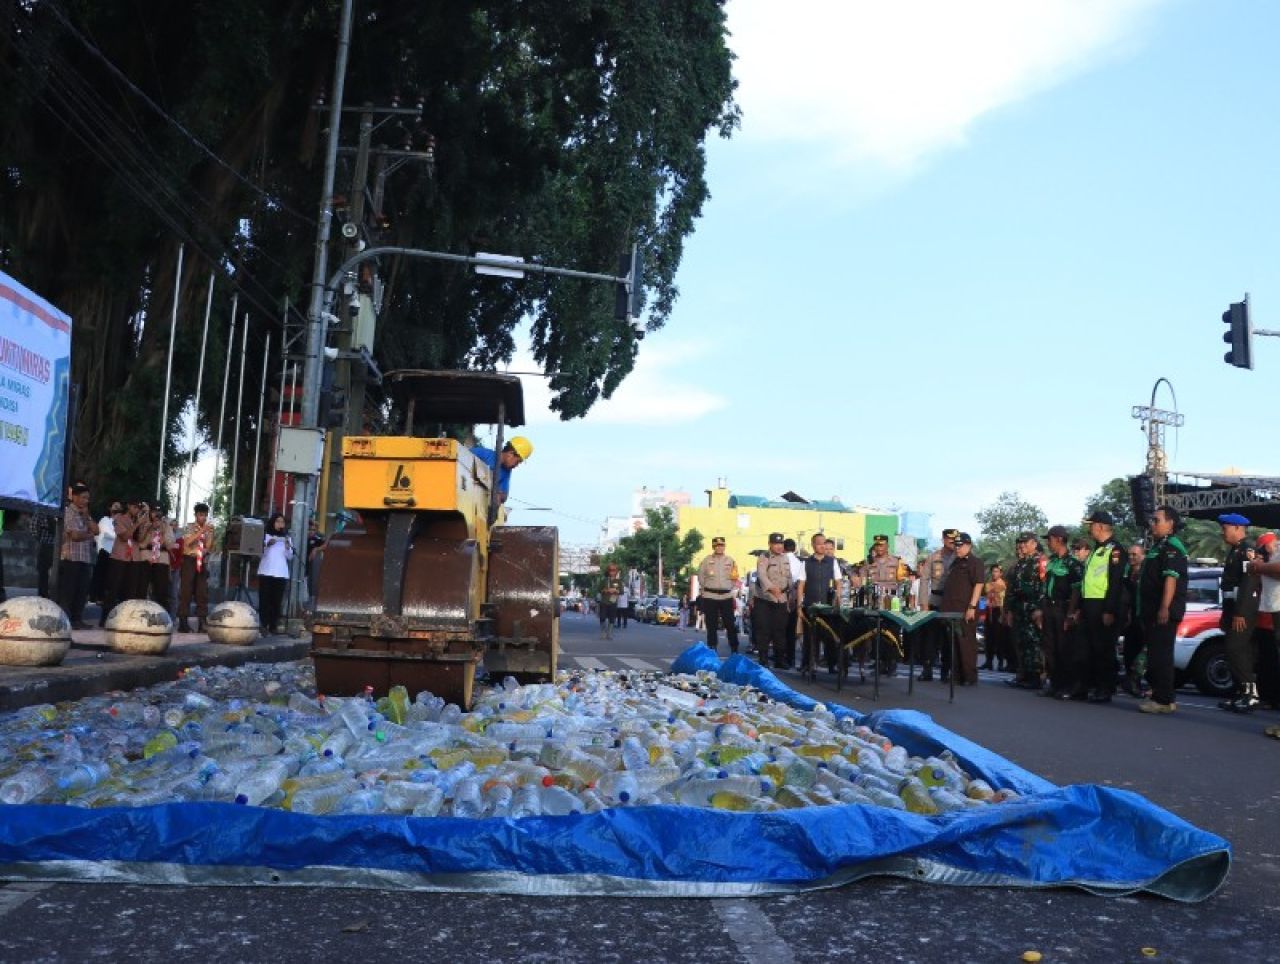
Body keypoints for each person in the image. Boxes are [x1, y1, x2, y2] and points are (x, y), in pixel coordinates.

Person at [1138, 506, 1189, 714]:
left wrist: (1164, 607)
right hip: (1152, 609)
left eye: (1157, 520)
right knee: (1156, 654)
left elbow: (1171, 578)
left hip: (1163, 610)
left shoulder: (1172, 547)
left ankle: (1163, 699)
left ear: (1170, 524)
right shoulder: (1158, 546)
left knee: (1161, 655)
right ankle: (1161, 694)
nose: (1153, 524)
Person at [1078, 510, 1128, 703]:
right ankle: (1091, 686)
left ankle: (1105, 689)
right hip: (1090, 603)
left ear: (1099, 526)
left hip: (1103, 605)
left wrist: (1109, 610)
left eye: (1091, 525)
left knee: (1103, 649)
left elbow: (1115, 582)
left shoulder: (1115, 550)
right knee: (1089, 648)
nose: (1089, 529)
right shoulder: (1097, 549)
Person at [1216, 513, 1261, 712]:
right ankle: (1242, 693)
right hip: (1232, 607)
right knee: (1234, 649)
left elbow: (1249, 583)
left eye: (1225, 528)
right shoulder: (1235, 551)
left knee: (1235, 648)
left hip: (1242, 609)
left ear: (1237, 528)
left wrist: (1241, 612)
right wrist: (1226, 613)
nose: (1222, 532)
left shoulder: (1247, 550)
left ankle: (1251, 694)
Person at [1036, 525, 1082, 698]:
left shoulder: (1073, 563)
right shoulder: (1052, 561)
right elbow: (1045, 587)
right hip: (1049, 608)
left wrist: (1071, 613)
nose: (1048, 543)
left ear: (1059, 539)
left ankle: (1066, 685)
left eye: (1049, 539)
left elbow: (1076, 589)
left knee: (1064, 647)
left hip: (1064, 608)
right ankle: (1054, 683)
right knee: (1049, 647)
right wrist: (1041, 610)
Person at [939, 532, 985, 685]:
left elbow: (978, 584)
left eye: (960, 545)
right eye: (956, 545)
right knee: (954, 644)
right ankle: (957, 675)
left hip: (965, 609)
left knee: (966, 644)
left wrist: (972, 606)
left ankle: (969, 676)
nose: (957, 548)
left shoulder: (975, 562)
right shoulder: (955, 562)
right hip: (951, 610)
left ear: (969, 546)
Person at [1004, 532, 1045, 689]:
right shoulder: (1020, 563)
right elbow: (1012, 589)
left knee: (1034, 642)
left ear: (1034, 543)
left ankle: (1036, 677)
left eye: (1025, 542)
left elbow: (1044, 586)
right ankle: (1023, 675)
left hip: (1033, 607)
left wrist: (1040, 608)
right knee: (1021, 642)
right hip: (1019, 608)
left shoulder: (1041, 561)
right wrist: (1009, 610)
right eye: (1020, 543)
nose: (1022, 545)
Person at [916, 529, 958, 680]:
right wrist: (923, 603)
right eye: (949, 539)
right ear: (943, 540)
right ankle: (927, 670)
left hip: (951, 602)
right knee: (930, 638)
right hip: (935, 601)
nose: (952, 542)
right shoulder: (933, 557)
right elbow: (924, 580)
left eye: (954, 540)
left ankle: (946, 671)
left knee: (948, 639)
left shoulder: (959, 557)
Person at [797, 533, 842, 673]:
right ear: (813, 545)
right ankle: (809, 664)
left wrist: (838, 596)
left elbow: (838, 582)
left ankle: (832, 665)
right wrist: (799, 605)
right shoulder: (806, 563)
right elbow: (801, 585)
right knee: (810, 638)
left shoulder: (832, 562)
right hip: (810, 606)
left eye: (824, 543)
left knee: (830, 637)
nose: (822, 546)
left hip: (828, 607)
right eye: (819, 543)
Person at [57, 483, 98, 628]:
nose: (86, 501)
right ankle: (65, 621)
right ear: (74, 497)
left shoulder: (85, 514)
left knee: (82, 592)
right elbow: (74, 536)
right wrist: (89, 535)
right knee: (68, 592)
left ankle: (77, 619)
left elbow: (97, 530)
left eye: (87, 498)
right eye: (83, 497)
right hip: (71, 557)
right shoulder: (68, 512)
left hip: (85, 558)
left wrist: (87, 518)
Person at [752, 532, 793, 667]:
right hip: (765, 599)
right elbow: (762, 575)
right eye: (776, 544)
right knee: (764, 630)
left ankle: (779, 660)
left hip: (781, 598)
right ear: (770, 544)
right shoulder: (764, 557)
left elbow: (789, 577)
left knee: (779, 630)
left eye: (781, 543)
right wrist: (771, 588)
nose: (779, 546)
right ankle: (763, 659)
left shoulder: (785, 558)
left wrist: (790, 596)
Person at [695, 536, 740, 655]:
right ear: (713, 547)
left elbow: (735, 577)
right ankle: (712, 647)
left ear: (724, 547)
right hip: (710, 595)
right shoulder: (706, 560)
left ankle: (734, 648)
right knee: (711, 624)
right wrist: (706, 587)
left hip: (726, 596)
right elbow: (701, 576)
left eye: (721, 546)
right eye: (717, 546)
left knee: (730, 623)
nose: (719, 548)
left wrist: (729, 587)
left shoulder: (730, 561)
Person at [98, 498, 140, 626]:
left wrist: (145, 522)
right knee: (113, 589)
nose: (137, 510)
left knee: (130, 591)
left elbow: (143, 538)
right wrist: (137, 523)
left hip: (134, 558)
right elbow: (124, 536)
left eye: (139, 508)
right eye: (135, 507)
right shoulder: (119, 518)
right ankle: (105, 618)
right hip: (119, 557)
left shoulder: (141, 521)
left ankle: (126, 619)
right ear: (129, 506)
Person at [177, 503, 216, 633]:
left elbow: (209, 546)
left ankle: (202, 622)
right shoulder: (189, 527)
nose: (203, 517)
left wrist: (207, 545)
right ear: (195, 515)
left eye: (205, 515)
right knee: (186, 591)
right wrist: (201, 531)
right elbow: (187, 542)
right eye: (200, 515)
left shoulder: (209, 529)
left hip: (202, 561)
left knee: (202, 591)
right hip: (189, 560)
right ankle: (183, 622)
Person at [256, 512, 293, 636]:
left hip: (280, 573)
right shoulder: (265, 536)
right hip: (266, 571)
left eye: (282, 522)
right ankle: (263, 624)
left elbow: (290, 557)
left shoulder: (287, 537)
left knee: (276, 601)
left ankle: (273, 625)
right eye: (278, 521)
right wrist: (267, 545)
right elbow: (260, 554)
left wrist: (287, 547)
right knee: (264, 599)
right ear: (273, 522)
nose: (280, 524)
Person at [1120, 544, 1149, 698]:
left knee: (1145, 650)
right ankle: (1131, 683)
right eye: (1129, 554)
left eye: (1135, 555)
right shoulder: (1127, 572)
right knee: (1129, 649)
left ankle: (1135, 679)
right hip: (1130, 617)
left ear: (1142, 555)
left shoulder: (1147, 571)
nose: (1131, 557)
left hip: (1144, 615)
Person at [469, 436, 533, 504]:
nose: (516, 466)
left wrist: (499, 495)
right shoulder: (482, 454)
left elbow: (504, 496)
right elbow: (462, 457)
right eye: (517, 462)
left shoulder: (506, 472)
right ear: (511, 453)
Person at [140, 505, 175, 612]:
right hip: (146, 556)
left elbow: (170, 544)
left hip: (161, 559)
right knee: (142, 587)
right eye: (154, 511)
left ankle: (162, 613)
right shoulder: (145, 523)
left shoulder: (166, 526)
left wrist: (163, 532)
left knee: (161, 589)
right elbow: (139, 540)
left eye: (159, 512)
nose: (156, 514)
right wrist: (148, 526)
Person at [90, 500, 120, 604]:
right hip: (104, 551)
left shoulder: (119, 522)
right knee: (100, 575)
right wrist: (121, 535)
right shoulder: (105, 520)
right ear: (110, 508)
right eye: (115, 506)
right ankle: (95, 597)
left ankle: (104, 597)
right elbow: (108, 534)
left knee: (109, 577)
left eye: (119, 507)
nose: (118, 508)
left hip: (114, 553)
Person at [781, 538, 804, 669]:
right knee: (791, 630)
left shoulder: (782, 560)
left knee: (781, 629)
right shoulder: (799, 563)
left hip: (782, 597)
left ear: (783, 548)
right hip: (795, 598)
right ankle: (791, 658)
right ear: (794, 549)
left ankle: (782, 656)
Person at [982, 564, 1008, 671]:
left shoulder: (1004, 585)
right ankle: (989, 661)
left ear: (1001, 573)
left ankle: (1001, 662)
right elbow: (985, 597)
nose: (994, 573)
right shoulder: (988, 584)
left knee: (999, 638)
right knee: (988, 637)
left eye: (996, 571)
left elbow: (1004, 601)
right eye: (993, 571)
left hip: (999, 611)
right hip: (989, 611)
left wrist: (1004, 615)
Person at [597, 563, 622, 640]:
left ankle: (609, 634)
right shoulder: (604, 580)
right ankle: (603, 633)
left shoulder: (618, 581)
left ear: (616, 571)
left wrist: (615, 591)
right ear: (608, 571)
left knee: (612, 618)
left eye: (614, 570)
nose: (612, 572)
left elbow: (621, 591)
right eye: (610, 570)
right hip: (604, 601)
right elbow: (599, 590)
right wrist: (606, 590)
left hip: (613, 602)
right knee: (602, 617)